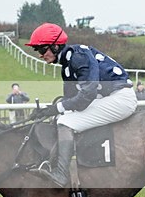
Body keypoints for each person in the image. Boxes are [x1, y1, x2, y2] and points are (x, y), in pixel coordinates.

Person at [25, 23, 137, 187]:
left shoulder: (79, 56)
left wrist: (56, 109)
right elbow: (70, 100)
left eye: (42, 50)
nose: (40, 55)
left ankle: (61, 175)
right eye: (38, 51)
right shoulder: (67, 64)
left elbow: (86, 95)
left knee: (65, 122)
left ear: (56, 46)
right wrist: (49, 110)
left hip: (120, 98)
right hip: (108, 97)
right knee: (62, 118)